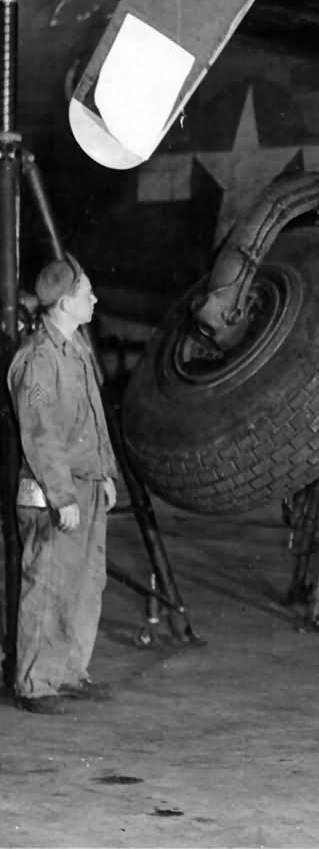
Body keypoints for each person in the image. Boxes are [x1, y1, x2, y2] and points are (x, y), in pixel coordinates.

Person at [7, 256, 118, 713]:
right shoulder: (38, 359)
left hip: (88, 484)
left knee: (86, 581)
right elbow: (40, 433)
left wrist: (106, 472)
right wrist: (62, 495)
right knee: (50, 580)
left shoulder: (77, 350)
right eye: (87, 292)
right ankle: (36, 683)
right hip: (56, 491)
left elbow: (95, 418)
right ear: (66, 301)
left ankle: (69, 671)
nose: (94, 298)